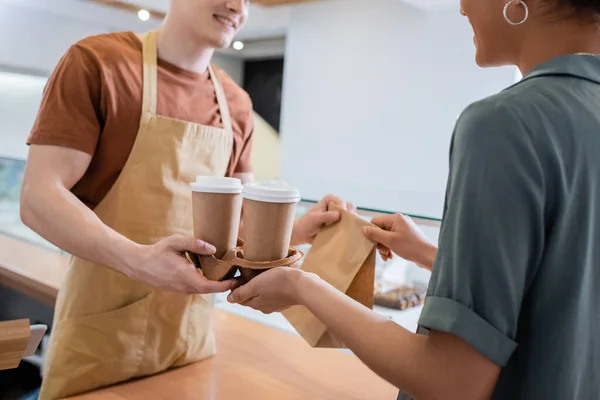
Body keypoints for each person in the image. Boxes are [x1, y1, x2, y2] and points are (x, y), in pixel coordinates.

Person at [228, 0, 600, 399]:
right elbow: (563, 292)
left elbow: (449, 380)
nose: (461, 8)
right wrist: (428, 254)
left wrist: (304, 287)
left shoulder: (505, 125)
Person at [20, 0, 351, 398]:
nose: (237, 7)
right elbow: (39, 197)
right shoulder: (98, 64)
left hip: (188, 344)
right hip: (99, 341)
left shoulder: (237, 104)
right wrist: (137, 260)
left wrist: (297, 230)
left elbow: (239, 226)